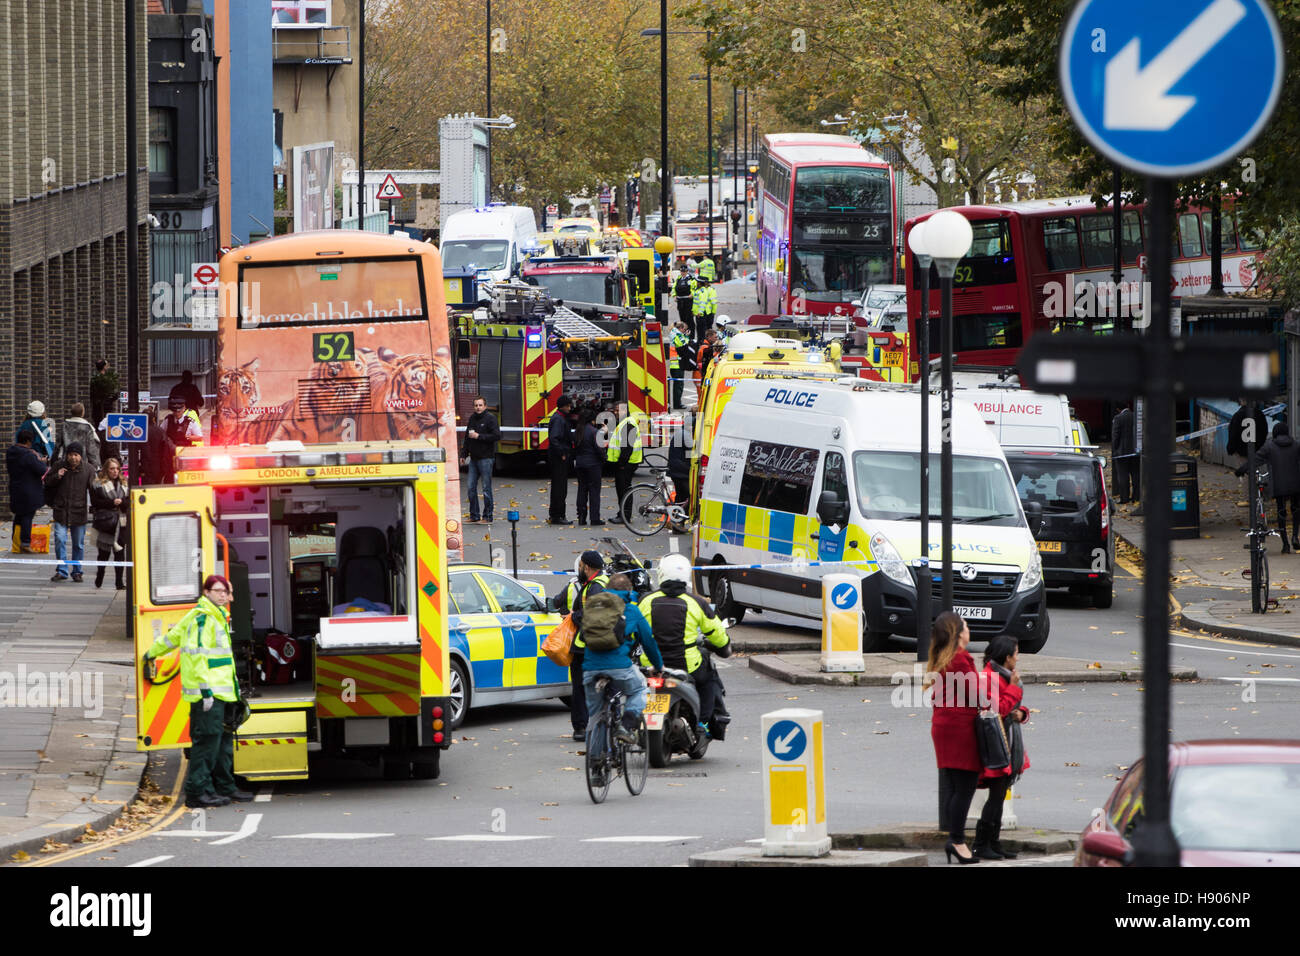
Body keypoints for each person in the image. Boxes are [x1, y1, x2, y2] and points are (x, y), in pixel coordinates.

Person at [143, 574, 253, 808]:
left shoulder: (215, 616)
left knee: (222, 744)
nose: (223, 594)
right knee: (206, 745)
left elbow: (172, 639)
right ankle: (197, 792)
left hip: (222, 694)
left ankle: (224, 787)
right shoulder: (203, 619)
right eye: (217, 590)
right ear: (206, 592)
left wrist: (151, 653)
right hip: (210, 696)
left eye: (225, 590)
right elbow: (197, 657)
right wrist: (206, 693)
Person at [637, 552, 732, 736]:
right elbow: (716, 633)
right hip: (686, 664)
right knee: (708, 680)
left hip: (650, 664)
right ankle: (703, 723)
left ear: (661, 573)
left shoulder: (645, 601)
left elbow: (633, 629)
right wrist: (724, 646)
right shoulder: (696, 603)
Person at [579, 573, 664, 745]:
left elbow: (582, 638)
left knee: (595, 716)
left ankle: (596, 765)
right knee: (641, 689)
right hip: (620, 667)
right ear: (629, 591)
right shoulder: (631, 609)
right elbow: (648, 641)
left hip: (590, 668)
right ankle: (625, 726)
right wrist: (658, 665)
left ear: (607, 588)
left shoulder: (593, 608)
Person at [925, 611, 982, 863]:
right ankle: (957, 841)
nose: (969, 629)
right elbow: (977, 696)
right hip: (960, 728)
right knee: (965, 787)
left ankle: (955, 839)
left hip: (944, 726)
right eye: (966, 626)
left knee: (957, 786)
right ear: (958, 633)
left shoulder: (943, 658)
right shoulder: (960, 659)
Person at [973, 636, 1030, 860]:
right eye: (1016, 653)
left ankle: (994, 842)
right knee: (996, 796)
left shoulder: (1006, 676)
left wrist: (1023, 713)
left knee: (1000, 793)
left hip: (1009, 739)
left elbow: (1015, 708)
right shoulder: (988, 678)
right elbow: (996, 709)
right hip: (995, 743)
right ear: (1007, 657)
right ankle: (981, 843)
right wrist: (1014, 691)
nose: (1018, 657)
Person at [552, 550, 610, 740]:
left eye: (580, 566)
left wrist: (572, 616)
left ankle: (581, 727)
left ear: (586, 566)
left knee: (580, 687)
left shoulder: (594, 586)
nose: (579, 569)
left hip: (585, 644)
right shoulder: (600, 584)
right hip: (599, 643)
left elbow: (588, 612)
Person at [1239, 421, 1300, 553]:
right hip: (1296, 484)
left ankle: (1285, 544)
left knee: (1281, 512)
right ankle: (1295, 536)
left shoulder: (1269, 446)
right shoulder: (1296, 445)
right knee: (1296, 510)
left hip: (1279, 485)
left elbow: (1255, 460)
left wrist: (1241, 469)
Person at [43, 441, 94, 583]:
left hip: (79, 512)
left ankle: (77, 571)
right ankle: (62, 570)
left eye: (76, 455)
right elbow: (47, 481)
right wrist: (57, 476)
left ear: (81, 456)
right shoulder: (59, 465)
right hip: (61, 511)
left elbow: (94, 489)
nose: (73, 458)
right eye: (71, 455)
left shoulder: (88, 470)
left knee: (78, 544)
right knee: (60, 539)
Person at [89, 457, 129, 589]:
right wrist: (111, 502)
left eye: (117, 468)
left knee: (120, 554)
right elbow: (95, 503)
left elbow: (129, 502)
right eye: (112, 468)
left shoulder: (124, 484)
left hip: (121, 522)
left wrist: (122, 502)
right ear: (106, 469)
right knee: (103, 554)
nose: (115, 471)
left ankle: (119, 582)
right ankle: (99, 576)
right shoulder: (98, 484)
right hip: (106, 522)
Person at [6, 429, 46, 552]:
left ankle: (16, 540)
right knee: (28, 514)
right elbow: (41, 470)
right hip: (29, 490)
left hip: (15, 488)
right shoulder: (29, 455)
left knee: (19, 515)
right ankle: (25, 542)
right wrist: (41, 461)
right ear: (28, 441)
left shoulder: (11, 452)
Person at [462, 396, 500, 523]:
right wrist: (463, 454)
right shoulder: (472, 418)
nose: (478, 408)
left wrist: (479, 436)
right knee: (470, 487)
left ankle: (488, 516)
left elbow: (496, 436)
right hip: (473, 459)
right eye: (476, 405)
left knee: (486, 488)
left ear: (485, 406)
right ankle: (474, 515)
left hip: (486, 458)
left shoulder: (491, 419)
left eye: (480, 405)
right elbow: (467, 438)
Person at [606, 403, 643, 526]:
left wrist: (622, 463)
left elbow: (627, 447)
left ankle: (625, 515)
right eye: (615, 410)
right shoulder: (625, 423)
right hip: (626, 463)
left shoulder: (628, 424)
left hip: (626, 464)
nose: (615, 412)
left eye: (618, 410)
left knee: (624, 489)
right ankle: (622, 513)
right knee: (622, 489)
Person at [573, 407, 606, 526]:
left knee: (582, 489)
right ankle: (594, 518)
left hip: (580, 464)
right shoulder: (594, 432)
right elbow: (599, 449)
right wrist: (605, 458)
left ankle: (581, 517)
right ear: (592, 420)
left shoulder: (578, 431)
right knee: (594, 491)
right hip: (593, 465)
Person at [547, 396, 575, 525]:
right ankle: (558, 515)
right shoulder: (558, 419)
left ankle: (555, 515)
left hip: (558, 456)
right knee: (560, 488)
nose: (570, 408)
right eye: (568, 406)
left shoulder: (559, 417)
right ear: (563, 406)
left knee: (558, 487)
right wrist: (563, 453)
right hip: (559, 458)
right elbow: (554, 439)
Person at [57, 403, 101, 474]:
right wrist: (96, 466)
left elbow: (57, 445)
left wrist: (53, 461)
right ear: (83, 413)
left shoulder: (64, 426)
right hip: (82, 464)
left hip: (66, 463)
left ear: (71, 412)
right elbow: (91, 450)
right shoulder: (87, 428)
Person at [139, 409, 178, 485]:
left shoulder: (140, 432)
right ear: (153, 419)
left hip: (145, 466)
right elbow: (168, 448)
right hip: (158, 466)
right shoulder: (160, 431)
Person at [1110, 403, 1138, 504]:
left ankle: (1124, 498)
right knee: (1135, 474)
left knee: (1123, 476)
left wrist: (1115, 450)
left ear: (1118, 409)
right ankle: (1136, 497)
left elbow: (1115, 436)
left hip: (1121, 453)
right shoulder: (1135, 416)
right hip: (1135, 452)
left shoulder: (1118, 418)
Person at [668, 323, 690, 410]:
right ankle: (677, 404)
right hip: (677, 364)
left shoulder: (674, 334)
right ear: (680, 328)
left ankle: (677, 403)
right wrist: (687, 336)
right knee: (678, 386)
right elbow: (685, 345)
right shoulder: (677, 335)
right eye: (684, 330)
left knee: (678, 385)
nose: (685, 331)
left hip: (675, 364)